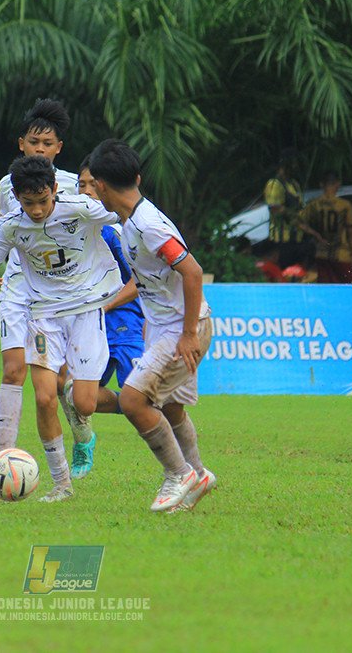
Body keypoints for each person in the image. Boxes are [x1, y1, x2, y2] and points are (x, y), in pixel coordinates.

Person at [0, 155, 121, 503]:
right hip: (43, 314)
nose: (38, 210)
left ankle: (123, 405)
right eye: (29, 203)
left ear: (55, 190)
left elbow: (126, 213)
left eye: (43, 201)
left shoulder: (81, 208)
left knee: (84, 404)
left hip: (87, 310)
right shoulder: (11, 224)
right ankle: (62, 485)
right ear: (17, 196)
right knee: (44, 398)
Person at [88, 138, 216, 513]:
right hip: (168, 328)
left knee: (132, 400)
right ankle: (197, 474)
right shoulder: (131, 223)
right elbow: (145, 279)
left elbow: (191, 271)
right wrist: (105, 304)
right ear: (138, 177)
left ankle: (178, 475)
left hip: (181, 329)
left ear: (101, 186)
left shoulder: (147, 226)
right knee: (171, 407)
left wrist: (189, 333)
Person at [0, 99, 84, 464]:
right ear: (21, 144)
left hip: (60, 291)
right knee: (13, 370)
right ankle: (4, 459)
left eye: (47, 144)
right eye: (34, 142)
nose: (40, 149)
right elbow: (6, 227)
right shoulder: (7, 184)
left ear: (59, 148)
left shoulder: (74, 185)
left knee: (59, 383)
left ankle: (78, 426)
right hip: (17, 285)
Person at [57, 156, 146, 479]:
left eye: (94, 184)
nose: (88, 190)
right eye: (82, 184)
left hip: (124, 323)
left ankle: (177, 458)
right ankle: (86, 437)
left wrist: (105, 306)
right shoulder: (71, 228)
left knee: (142, 394)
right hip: (86, 322)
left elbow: (139, 280)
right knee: (75, 395)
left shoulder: (116, 232)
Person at [298, 171, 352, 283]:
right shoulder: (344, 205)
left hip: (322, 252)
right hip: (341, 253)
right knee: (348, 288)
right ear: (338, 184)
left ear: (321, 185)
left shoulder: (313, 205)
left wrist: (315, 234)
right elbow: (351, 231)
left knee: (326, 287)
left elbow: (298, 222)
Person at [264, 148, 305, 268]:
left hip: (296, 239)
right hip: (281, 241)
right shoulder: (275, 184)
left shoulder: (294, 184)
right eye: (292, 164)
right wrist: (293, 215)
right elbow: (275, 210)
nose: (295, 167)